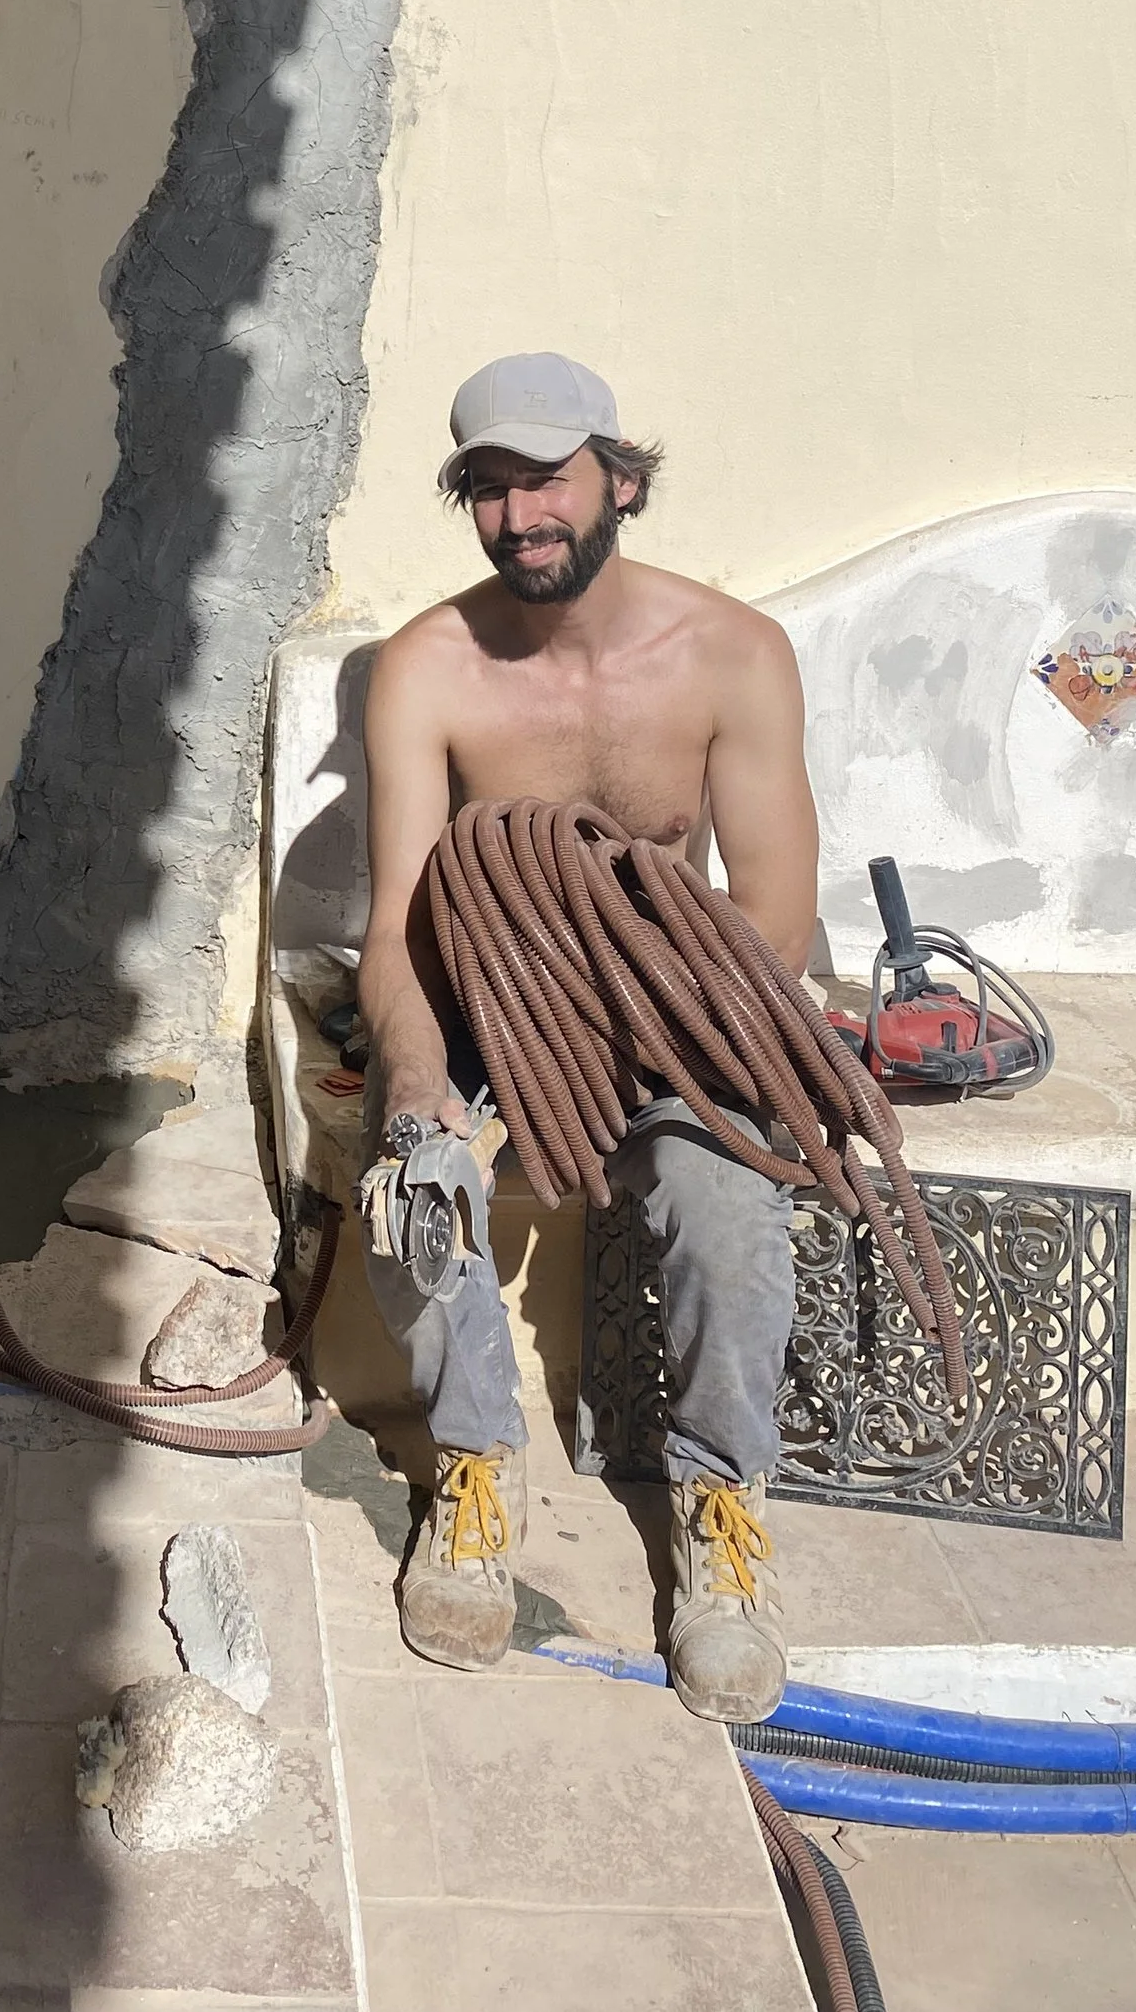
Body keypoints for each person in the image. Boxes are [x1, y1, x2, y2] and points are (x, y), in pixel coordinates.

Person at [354, 351, 818, 1720]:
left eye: (544, 479)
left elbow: (774, 924)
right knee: (418, 1188)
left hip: (687, 1010)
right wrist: (425, 1081)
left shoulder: (733, 654)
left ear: (618, 477)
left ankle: (720, 1516)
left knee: (730, 1203)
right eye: (486, 491)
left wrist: (665, 1058)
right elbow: (397, 926)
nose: (519, 517)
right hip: (488, 1008)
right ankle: (473, 1473)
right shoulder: (428, 668)